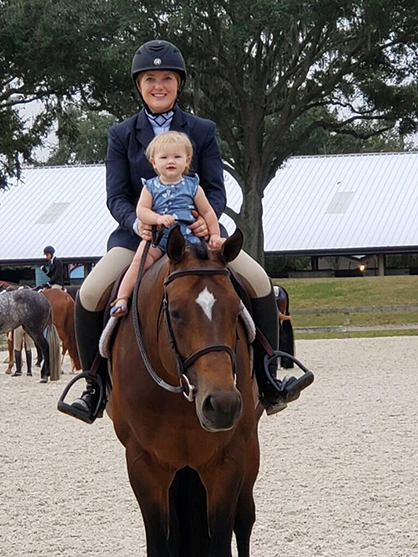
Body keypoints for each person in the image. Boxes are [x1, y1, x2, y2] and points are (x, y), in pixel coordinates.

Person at [63, 39, 304, 424]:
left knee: (259, 281)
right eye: (150, 79)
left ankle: (268, 377)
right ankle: (94, 386)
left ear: (179, 84)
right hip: (141, 238)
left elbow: (216, 188)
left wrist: (207, 219)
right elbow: (116, 196)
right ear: (139, 85)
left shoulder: (202, 130)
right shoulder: (121, 134)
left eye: (167, 79)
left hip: (199, 235)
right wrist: (137, 222)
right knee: (90, 293)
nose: (159, 86)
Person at [110, 131, 222, 316]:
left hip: (190, 239)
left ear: (187, 160)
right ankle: (122, 298)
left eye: (177, 157)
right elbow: (141, 211)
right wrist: (157, 219)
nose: (171, 161)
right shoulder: (150, 187)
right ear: (153, 162)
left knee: (215, 267)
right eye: (164, 157)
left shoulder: (194, 186)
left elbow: (208, 211)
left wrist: (215, 234)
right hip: (158, 239)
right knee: (139, 261)